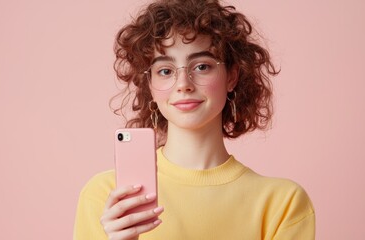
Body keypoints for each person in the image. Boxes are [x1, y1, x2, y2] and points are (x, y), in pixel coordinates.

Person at [74, 0, 315, 239]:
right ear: (150, 84)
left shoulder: (283, 204)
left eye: (201, 66)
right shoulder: (108, 197)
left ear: (232, 76)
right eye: (165, 71)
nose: (183, 85)